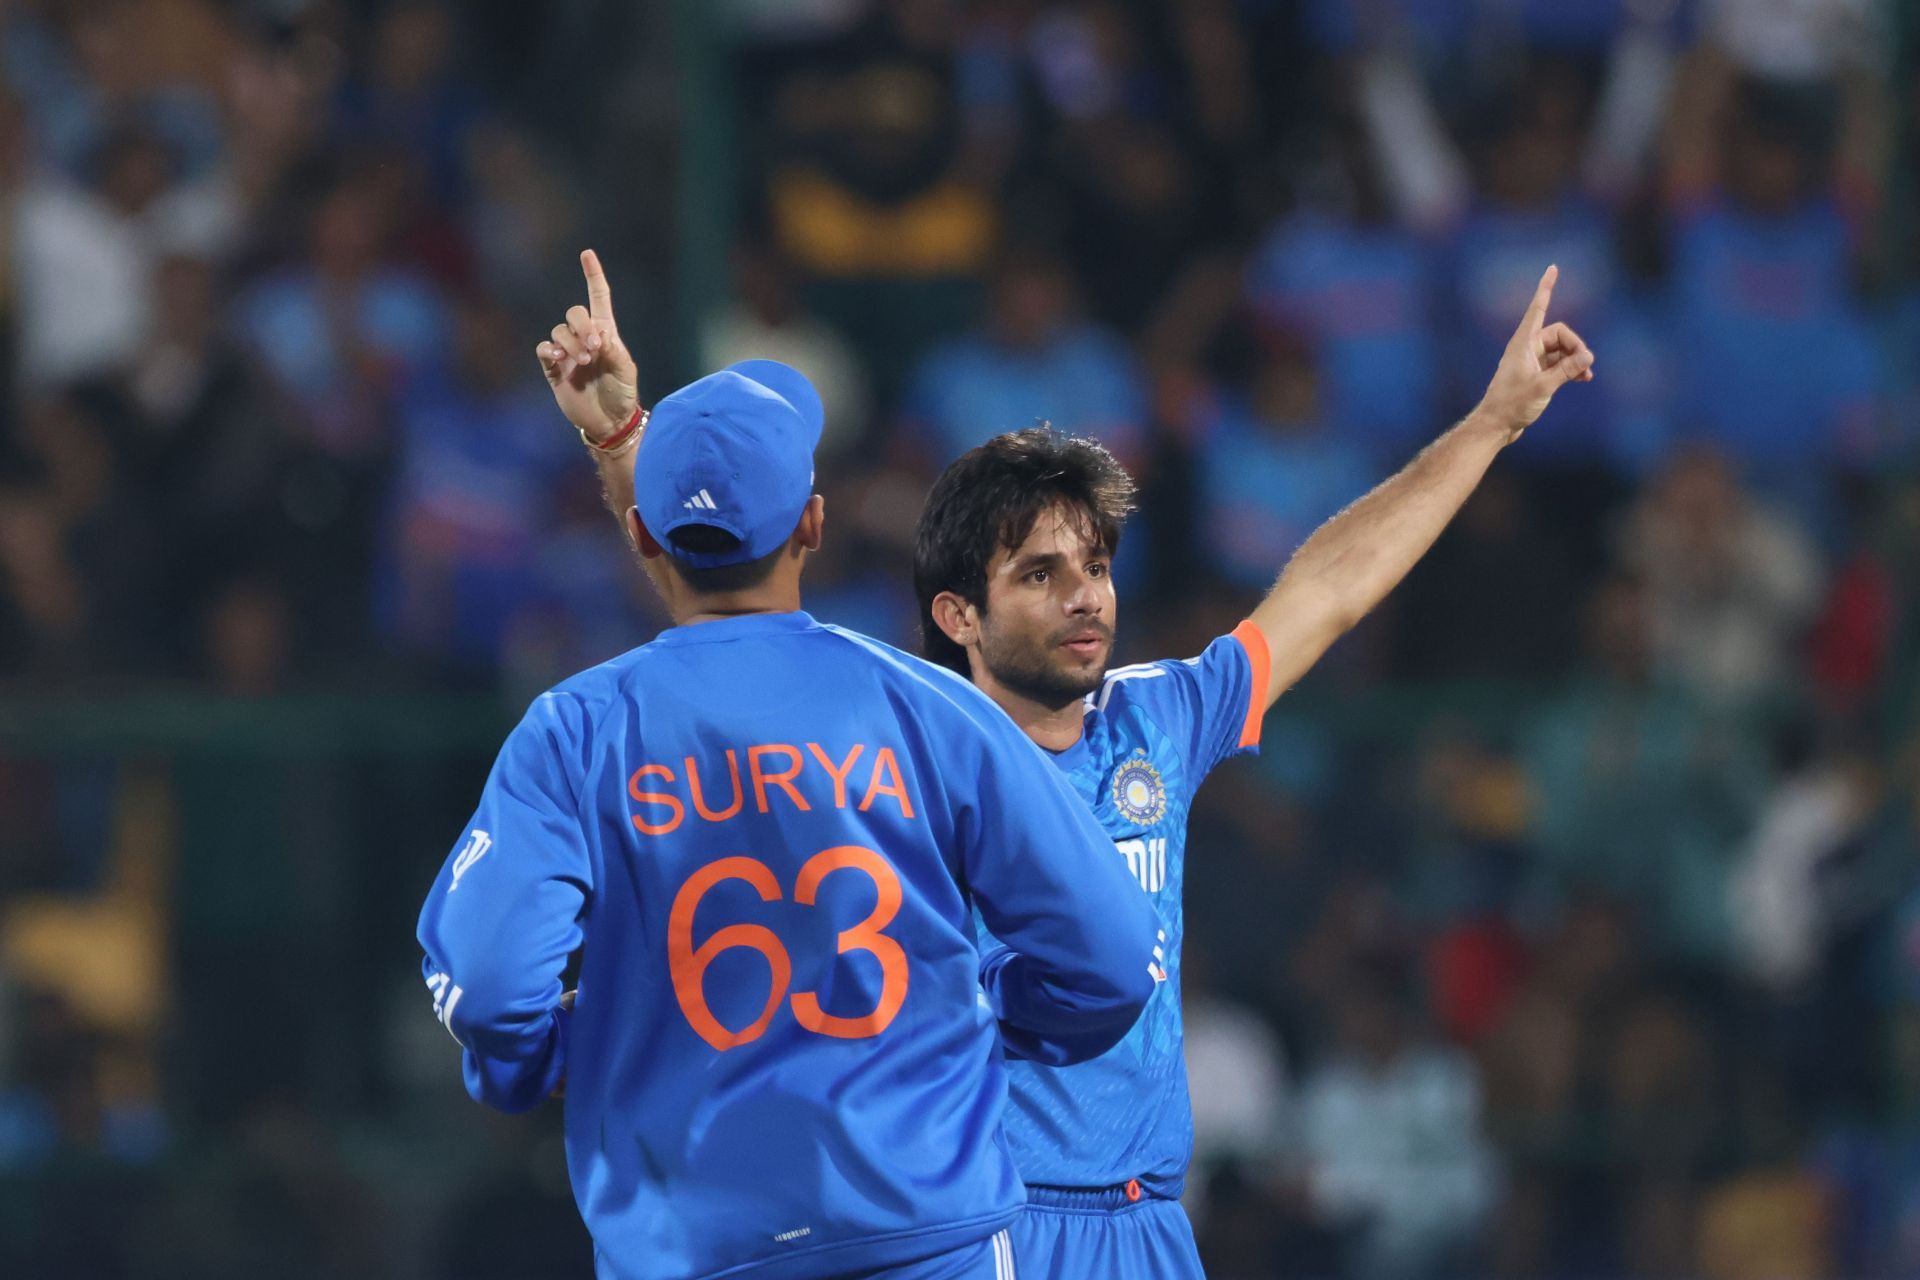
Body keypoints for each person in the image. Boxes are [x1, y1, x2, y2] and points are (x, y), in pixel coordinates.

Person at [418, 254, 1163, 1280]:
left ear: (640, 531)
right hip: (929, 1240)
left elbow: (495, 989)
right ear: (813, 523)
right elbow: (1116, 958)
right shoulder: (928, 705)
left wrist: (561, 1055)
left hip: (693, 1249)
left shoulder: (573, 731)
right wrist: (982, 1003)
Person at [909, 266, 1592, 1278]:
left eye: (1094, 564)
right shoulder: (910, 771)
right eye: (1039, 574)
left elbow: (1331, 585)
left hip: (1150, 1227)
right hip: (992, 1226)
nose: (1085, 596)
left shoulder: (1158, 715)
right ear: (959, 614)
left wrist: (1493, 422)